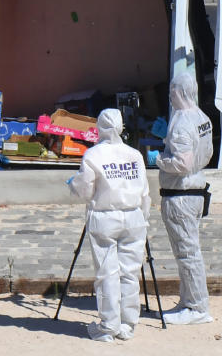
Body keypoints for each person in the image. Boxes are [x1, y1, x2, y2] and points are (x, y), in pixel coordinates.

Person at [67, 109, 152, 342]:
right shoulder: (134, 154)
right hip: (134, 217)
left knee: (107, 273)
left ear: (99, 127)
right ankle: (127, 324)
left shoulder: (93, 155)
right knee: (130, 273)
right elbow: (145, 192)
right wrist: (143, 219)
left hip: (105, 217)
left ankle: (108, 326)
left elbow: (84, 190)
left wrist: (72, 185)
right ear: (121, 127)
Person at [147, 72, 215, 325]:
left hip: (180, 195)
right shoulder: (202, 118)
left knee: (187, 254)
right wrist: (167, 139)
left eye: (172, 92)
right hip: (196, 191)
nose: (169, 96)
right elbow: (203, 153)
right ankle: (189, 302)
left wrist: (159, 160)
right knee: (190, 251)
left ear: (180, 92)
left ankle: (197, 308)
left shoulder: (182, 122)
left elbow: (182, 163)